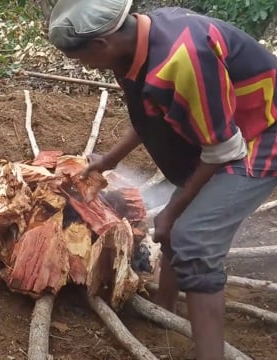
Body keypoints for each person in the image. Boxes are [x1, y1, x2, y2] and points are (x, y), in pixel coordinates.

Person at [47, 0, 277, 359]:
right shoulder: (134, 46)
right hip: (223, 131)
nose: (85, 67)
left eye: (81, 60)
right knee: (175, 223)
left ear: (100, 45)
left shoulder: (182, 59)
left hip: (261, 134)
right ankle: (165, 310)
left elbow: (224, 149)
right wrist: (106, 162)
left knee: (193, 240)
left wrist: (172, 214)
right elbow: (147, 117)